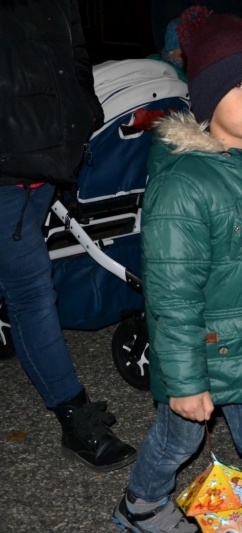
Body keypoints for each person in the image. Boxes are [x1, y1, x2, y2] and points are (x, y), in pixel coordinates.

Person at [112, 13, 242, 533]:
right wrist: (183, 381)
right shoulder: (185, 184)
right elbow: (172, 292)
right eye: (238, 85)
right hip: (205, 349)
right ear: (206, 98)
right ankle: (141, 505)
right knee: (178, 438)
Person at [0, 0, 137, 472]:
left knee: (27, 286)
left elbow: (73, 52)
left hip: (47, 162)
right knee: (29, 290)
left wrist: (79, 115)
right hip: (8, 169)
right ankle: (72, 412)